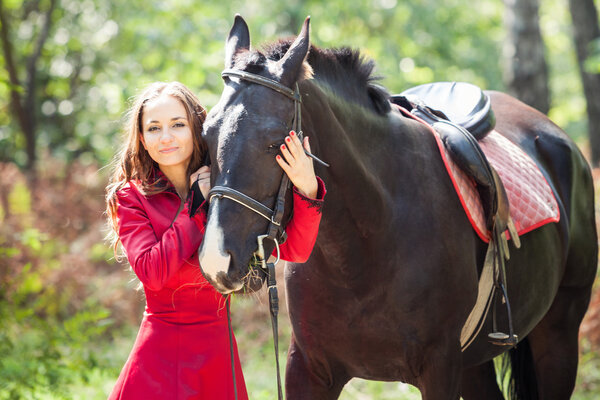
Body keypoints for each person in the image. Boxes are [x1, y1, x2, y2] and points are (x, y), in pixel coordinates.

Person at [104, 81, 326, 399]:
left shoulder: (228, 189)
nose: (165, 137)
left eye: (177, 125)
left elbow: (294, 250)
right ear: (142, 138)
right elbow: (153, 272)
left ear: (197, 127)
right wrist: (195, 207)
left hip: (218, 360)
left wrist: (308, 189)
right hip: (157, 361)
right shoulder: (132, 196)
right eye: (153, 128)